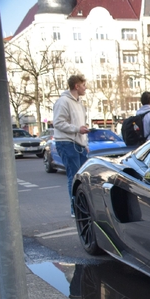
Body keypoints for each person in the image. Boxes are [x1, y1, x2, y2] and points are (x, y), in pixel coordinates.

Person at [53, 74, 89, 217]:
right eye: (83, 85)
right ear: (77, 86)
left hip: (78, 143)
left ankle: (81, 205)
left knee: (82, 177)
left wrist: (84, 142)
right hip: (67, 142)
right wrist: (77, 129)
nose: (85, 88)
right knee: (74, 176)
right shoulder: (63, 102)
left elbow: (80, 125)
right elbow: (58, 122)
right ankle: (75, 208)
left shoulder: (79, 103)